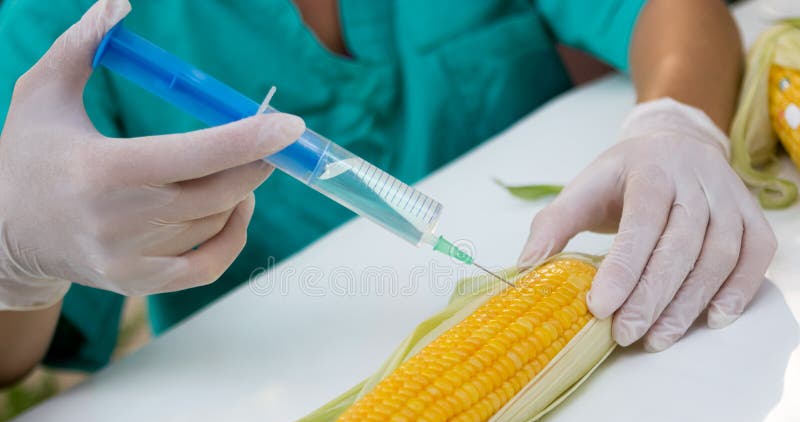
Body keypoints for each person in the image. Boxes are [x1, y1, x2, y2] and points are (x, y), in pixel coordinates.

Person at [0, 0, 774, 385]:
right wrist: (16, 262)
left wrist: (675, 122)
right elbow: (17, 367)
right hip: (266, 392)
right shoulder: (56, 20)